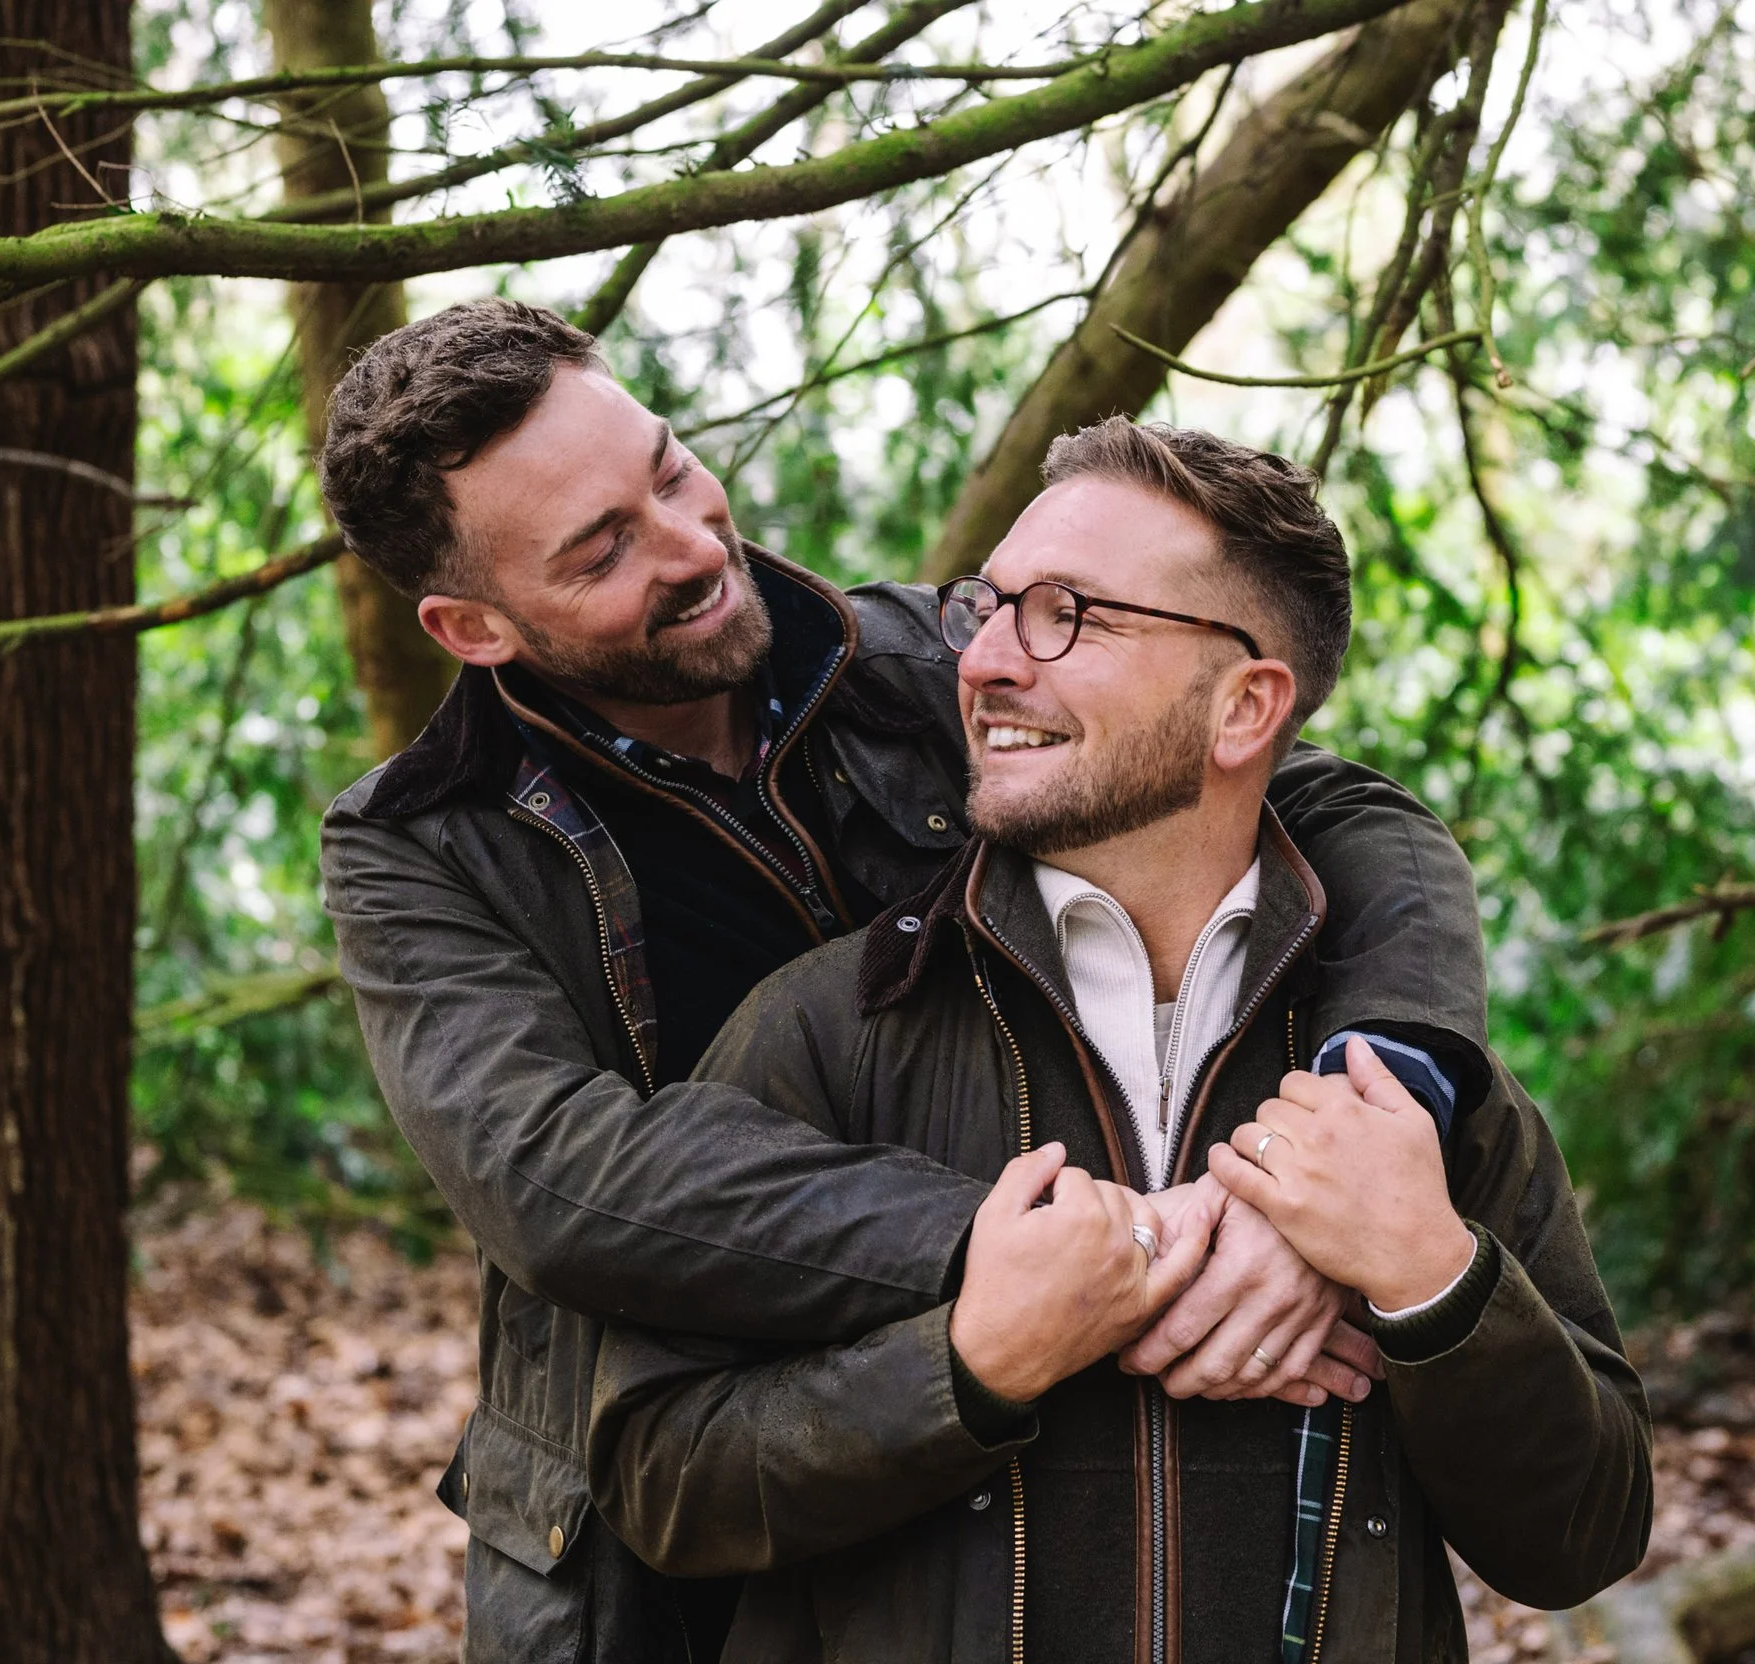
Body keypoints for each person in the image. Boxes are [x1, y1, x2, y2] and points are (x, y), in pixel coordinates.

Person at [315, 301, 1498, 1663]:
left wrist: (1363, 1121)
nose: (691, 544)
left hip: (998, 1488)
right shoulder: (418, 844)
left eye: (670, 470)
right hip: (659, 1521)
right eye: (602, 551)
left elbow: (1339, 810)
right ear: (472, 625)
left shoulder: (941, 660)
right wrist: (1077, 1246)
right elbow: (553, 1178)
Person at [587, 418, 1653, 1664]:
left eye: (1068, 615)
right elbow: (659, 1484)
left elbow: (1583, 1535)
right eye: (989, 607)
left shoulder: (1406, 1084)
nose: (984, 659)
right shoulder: (829, 1029)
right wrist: (970, 1365)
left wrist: (1428, 1273)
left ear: (1244, 705)